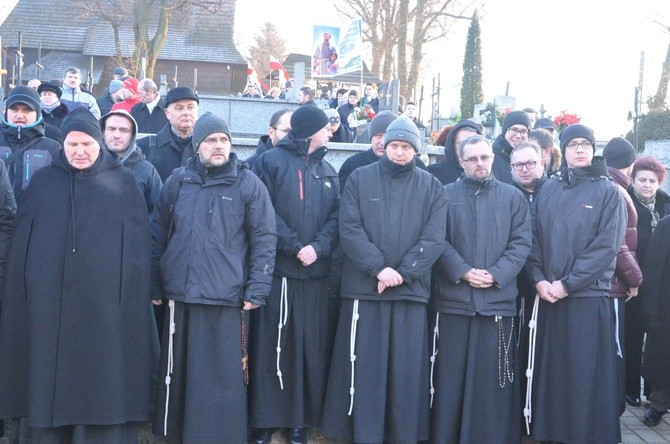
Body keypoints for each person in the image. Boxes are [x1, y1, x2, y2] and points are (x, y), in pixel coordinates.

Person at [0, 107, 156, 443]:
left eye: (87, 144)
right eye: (72, 144)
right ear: (63, 145)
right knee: (47, 373)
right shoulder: (42, 183)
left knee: (102, 375)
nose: (79, 151)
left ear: (100, 144)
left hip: (104, 309)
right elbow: (24, 249)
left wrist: (123, 293)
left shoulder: (124, 182)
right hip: (49, 308)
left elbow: (137, 253)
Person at [151, 112, 277, 442]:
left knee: (223, 380)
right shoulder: (177, 182)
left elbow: (264, 237)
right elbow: (157, 234)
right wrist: (154, 281)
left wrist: (258, 287)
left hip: (227, 297)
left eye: (223, 139)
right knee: (181, 377)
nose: (218, 145)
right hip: (182, 296)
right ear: (197, 146)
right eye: (210, 140)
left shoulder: (248, 183)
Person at [321, 117, 446, 443]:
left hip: (409, 292)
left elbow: (433, 238)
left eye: (406, 147)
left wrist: (402, 273)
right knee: (364, 367)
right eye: (394, 145)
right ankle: (361, 432)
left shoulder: (431, 185)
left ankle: (401, 433)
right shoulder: (360, 179)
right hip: (365, 289)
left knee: (404, 371)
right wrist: (378, 269)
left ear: (416, 150)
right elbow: (350, 229)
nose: (400, 152)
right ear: (383, 146)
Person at [526, 124, 626, 443]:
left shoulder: (608, 191)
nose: (580, 149)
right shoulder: (549, 188)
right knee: (553, 375)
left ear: (593, 149)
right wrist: (539, 279)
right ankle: (551, 433)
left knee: (584, 376)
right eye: (573, 144)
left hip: (585, 297)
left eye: (585, 144)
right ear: (563, 150)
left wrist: (567, 284)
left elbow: (606, 247)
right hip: (549, 296)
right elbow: (533, 237)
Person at [430, 134, 531, 443]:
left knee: (492, 382)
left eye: (484, 157)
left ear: (492, 157)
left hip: (496, 302)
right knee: (450, 380)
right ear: (461, 162)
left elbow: (522, 242)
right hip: (453, 302)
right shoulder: (444, 194)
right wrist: (462, 271)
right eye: (472, 159)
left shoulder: (513, 197)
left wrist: (496, 274)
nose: (479, 163)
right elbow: (437, 239)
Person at [250, 106, 339, 444]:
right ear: (309, 130)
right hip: (279, 274)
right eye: (325, 127)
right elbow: (262, 210)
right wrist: (294, 245)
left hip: (314, 276)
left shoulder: (329, 170)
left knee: (305, 351)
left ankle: (298, 421)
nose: (330, 131)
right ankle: (265, 421)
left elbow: (336, 217)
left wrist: (318, 247)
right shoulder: (270, 162)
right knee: (272, 349)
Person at [602, 137, 644, 415]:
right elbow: (618, 244)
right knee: (615, 348)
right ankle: (613, 408)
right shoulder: (617, 191)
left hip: (606, 284)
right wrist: (635, 279)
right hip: (614, 285)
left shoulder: (606, 186)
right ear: (631, 164)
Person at [626, 155, 670, 407]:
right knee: (632, 338)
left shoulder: (665, 208)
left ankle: (656, 393)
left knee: (657, 340)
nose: (647, 185)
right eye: (642, 179)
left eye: (652, 181)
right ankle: (630, 388)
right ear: (632, 181)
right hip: (633, 282)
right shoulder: (626, 205)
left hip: (660, 286)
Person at [0, 86, 62, 201]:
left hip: (35, 217)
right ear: (6, 112)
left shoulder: (52, 148)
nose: (19, 115)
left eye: (27, 110)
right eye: (14, 109)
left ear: (38, 113)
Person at [100, 109, 162, 214]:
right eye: (111, 129)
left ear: (132, 135)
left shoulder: (146, 170)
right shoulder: (89, 165)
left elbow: (158, 211)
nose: (116, 135)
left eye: (124, 130)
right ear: (103, 132)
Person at [640, 214, 670, 427]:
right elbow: (653, 270)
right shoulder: (666, 225)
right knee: (663, 361)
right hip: (666, 310)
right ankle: (658, 404)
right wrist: (650, 311)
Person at [137, 86, 199, 182]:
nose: (186, 113)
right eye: (179, 108)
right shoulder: (144, 147)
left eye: (191, 107)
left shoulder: (208, 147)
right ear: (167, 113)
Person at [426, 119, 483, 185]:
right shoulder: (433, 174)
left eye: (473, 143)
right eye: (462, 143)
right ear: (452, 145)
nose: (468, 148)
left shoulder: (485, 172)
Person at [492, 110, 530, 184]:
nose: (518, 136)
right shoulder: (491, 158)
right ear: (505, 132)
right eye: (514, 130)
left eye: (523, 131)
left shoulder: (531, 157)